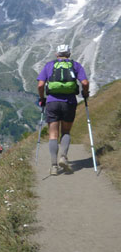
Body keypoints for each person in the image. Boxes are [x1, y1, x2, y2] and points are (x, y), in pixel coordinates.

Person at [37, 44, 89, 175]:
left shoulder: (49, 65)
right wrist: (85, 93)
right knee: (66, 131)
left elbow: (40, 85)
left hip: (52, 102)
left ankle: (54, 166)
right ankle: (63, 157)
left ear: (57, 54)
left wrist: (42, 98)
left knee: (53, 134)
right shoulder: (75, 65)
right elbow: (85, 83)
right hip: (69, 102)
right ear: (69, 54)